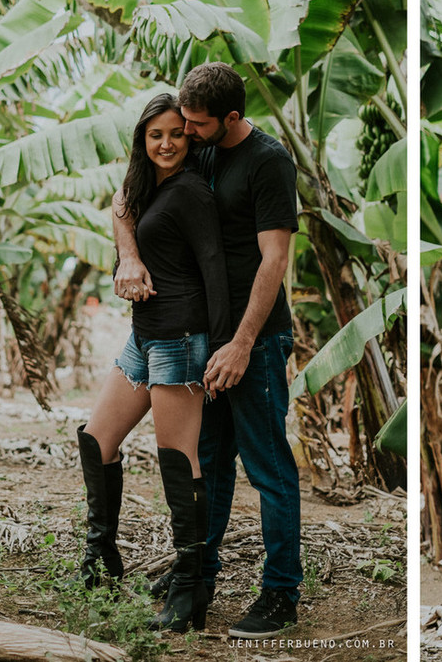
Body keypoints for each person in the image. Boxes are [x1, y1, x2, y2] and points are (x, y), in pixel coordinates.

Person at [112, 62, 302, 639]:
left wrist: (243, 344)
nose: (185, 133)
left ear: (232, 118)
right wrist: (130, 255)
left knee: (268, 465)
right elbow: (127, 192)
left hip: (256, 339)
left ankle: (280, 594)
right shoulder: (200, 147)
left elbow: (274, 259)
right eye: (183, 123)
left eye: (196, 124)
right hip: (209, 337)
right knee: (212, 461)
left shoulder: (268, 162)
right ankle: (198, 574)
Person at [77, 92, 231, 633]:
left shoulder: (189, 191)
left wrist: (225, 344)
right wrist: (129, 254)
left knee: (177, 460)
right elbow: (122, 202)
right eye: (154, 135)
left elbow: (214, 263)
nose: (166, 143)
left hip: (183, 339)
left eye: (175, 133)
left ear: (190, 137)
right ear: (143, 140)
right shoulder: (148, 185)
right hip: (144, 338)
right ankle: (102, 556)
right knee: (97, 439)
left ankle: (191, 587)